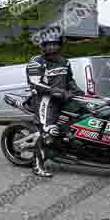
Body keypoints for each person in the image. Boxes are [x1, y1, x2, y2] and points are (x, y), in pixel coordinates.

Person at [26, 29, 83, 177]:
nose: (52, 48)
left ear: (60, 45)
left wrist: (78, 91)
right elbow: (35, 84)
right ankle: (37, 165)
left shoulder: (65, 61)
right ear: (42, 46)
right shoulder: (36, 62)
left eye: (55, 44)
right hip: (44, 100)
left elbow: (69, 80)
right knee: (47, 131)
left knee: (81, 117)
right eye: (48, 45)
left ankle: (66, 149)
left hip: (63, 98)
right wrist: (58, 92)